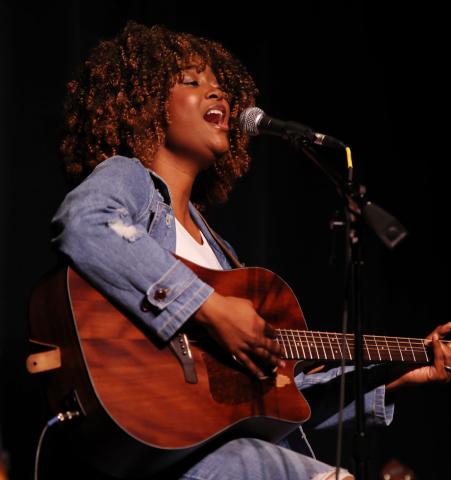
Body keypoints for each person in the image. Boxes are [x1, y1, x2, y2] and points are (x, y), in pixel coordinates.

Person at [49, 20, 451, 480]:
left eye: (221, 87)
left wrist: (399, 371)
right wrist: (208, 307)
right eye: (193, 82)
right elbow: (84, 223)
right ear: (143, 106)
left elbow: (282, 398)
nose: (217, 95)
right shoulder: (130, 179)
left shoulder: (221, 256)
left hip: (210, 458)